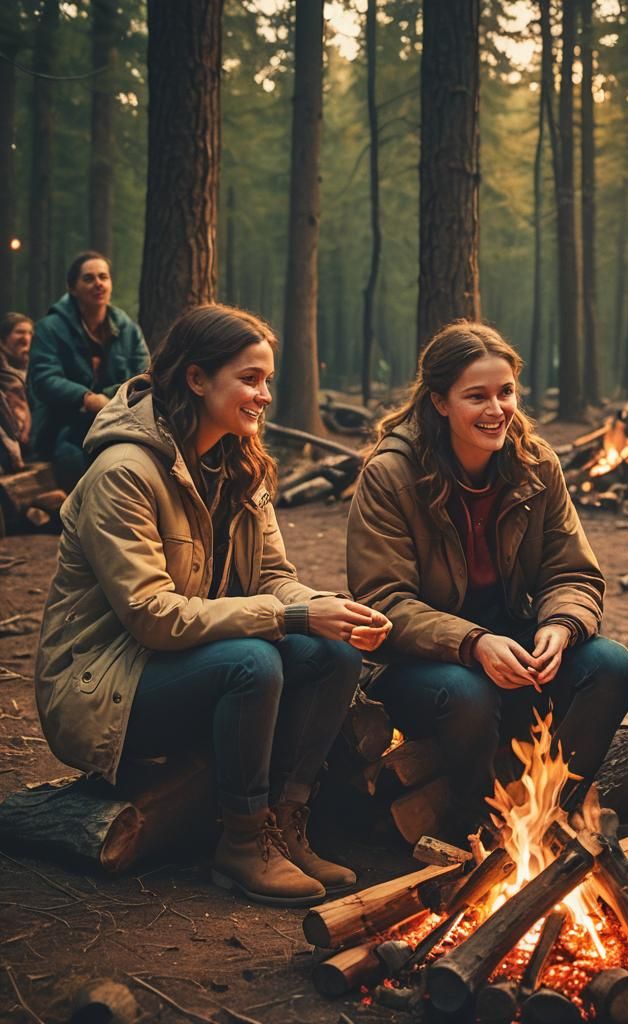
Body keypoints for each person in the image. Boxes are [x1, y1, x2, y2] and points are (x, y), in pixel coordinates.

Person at [34, 304, 391, 907]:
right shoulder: (124, 472)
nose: (264, 395)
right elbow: (152, 615)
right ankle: (242, 841)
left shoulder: (239, 466)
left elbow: (276, 578)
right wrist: (292, 615)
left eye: (268, 380)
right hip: (101, 685)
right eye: (250, 379)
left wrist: (329, 609)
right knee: (254, 662)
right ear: (196, 379)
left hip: (187, 661)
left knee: (332, 651)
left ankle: (284, 823)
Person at [346, 320, 628, 839]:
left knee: (610, 664)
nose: (496, 409)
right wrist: (474, 643)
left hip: (516, 647)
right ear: (439, 402)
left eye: (506, 393)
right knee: (467, 693)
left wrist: (563, 626)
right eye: (475, 396)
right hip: (426, 667)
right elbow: (382, 600)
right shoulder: (391, 474)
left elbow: (572, 571)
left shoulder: (535, 465)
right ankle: (472, 830)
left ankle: (552, 813)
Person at [28, 251, 149, 490]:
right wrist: (86, 398)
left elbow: (144, 375)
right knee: (72, 459)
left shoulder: (127, 329)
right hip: (63, 428)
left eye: (103, 277)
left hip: (118, 422)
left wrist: (109, 397)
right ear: (72, 288)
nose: (98, 284)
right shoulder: (49, 328)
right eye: (89, 278)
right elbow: (44, 378)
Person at [0, 313, 33, 473]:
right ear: (4, 338)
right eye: (20, 332)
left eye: (29, 333)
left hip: (31, 443)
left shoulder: (34, 366)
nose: (26, 337)